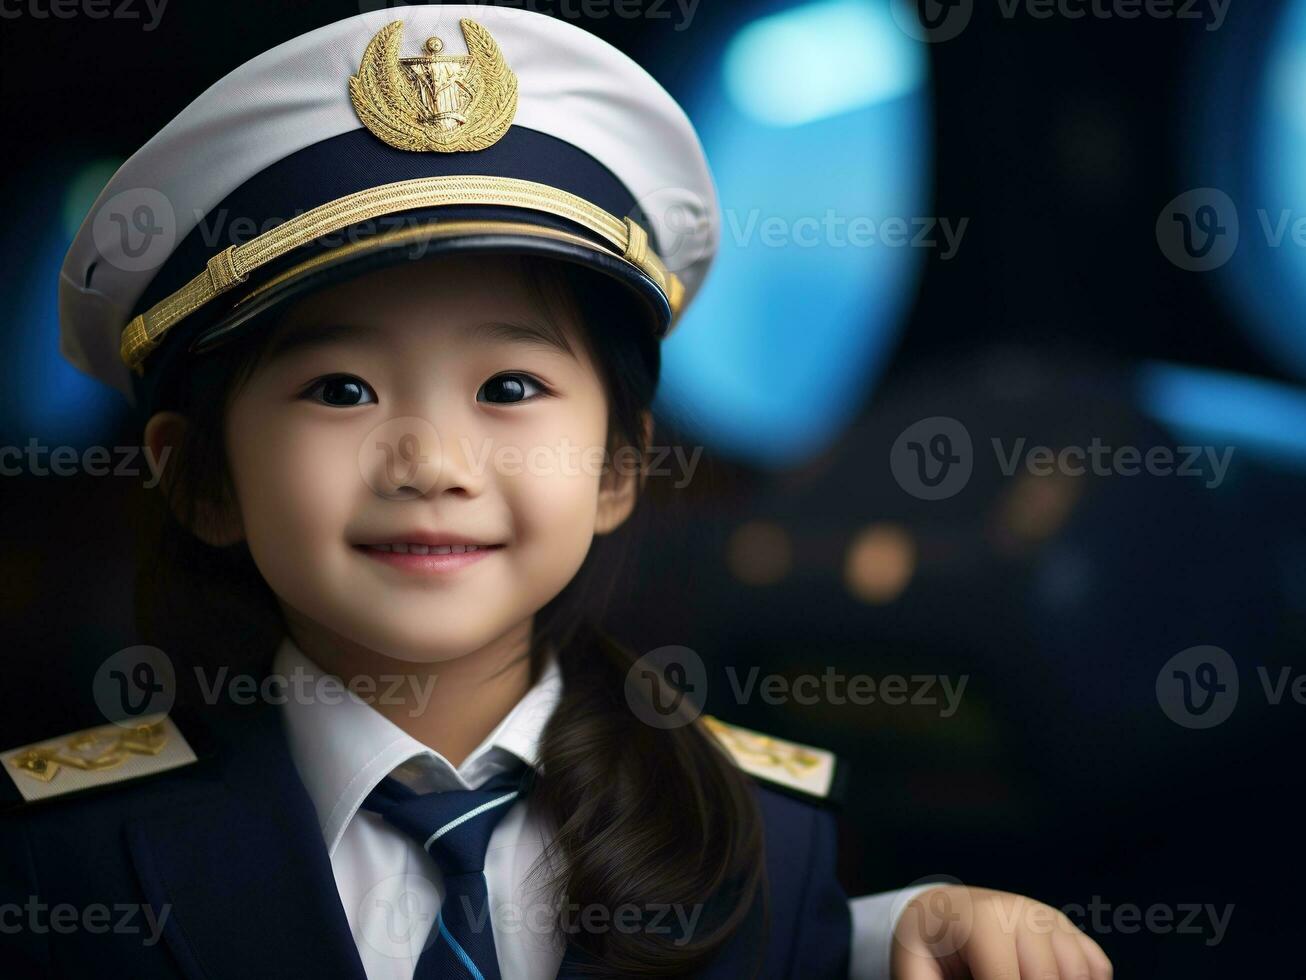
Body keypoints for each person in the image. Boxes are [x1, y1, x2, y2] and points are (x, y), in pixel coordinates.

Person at [1, 6, 1112, 978]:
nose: (432, 460)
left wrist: (904, 927)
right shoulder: (66, 860)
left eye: (511, 385)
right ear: (200, 478)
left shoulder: (767, 838)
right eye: (340, 388)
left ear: (621, 466)